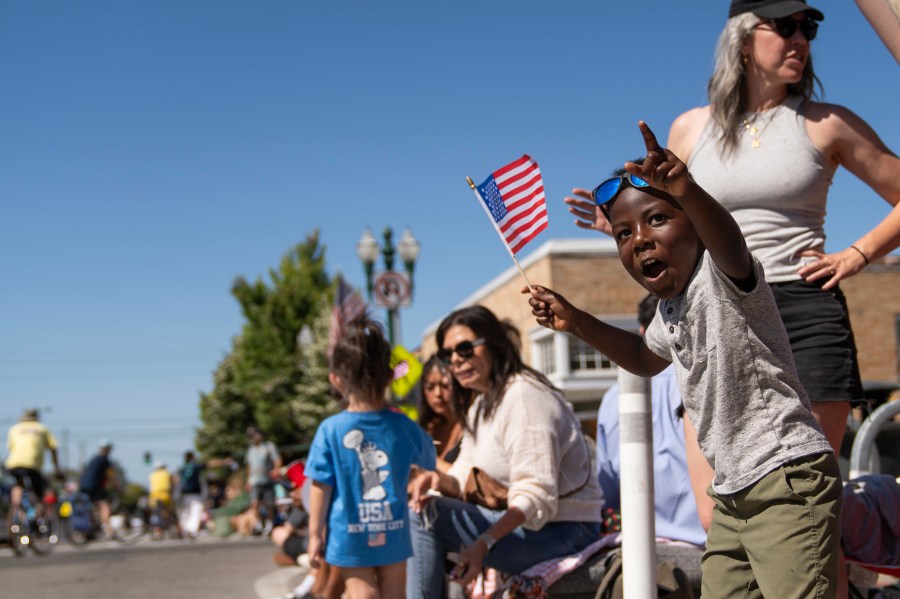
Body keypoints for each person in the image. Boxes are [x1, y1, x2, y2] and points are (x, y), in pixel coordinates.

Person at [528, 121, 842, 598]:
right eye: (623, 234)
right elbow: (641, 356)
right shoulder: (667, 311)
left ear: (693, 224)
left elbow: (728, 240)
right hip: (733, 495)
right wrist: (575, 321)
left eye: (657, 219)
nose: (639, 240)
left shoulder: (724, 273)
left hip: (785, 479)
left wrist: (687, 190)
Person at [407, 305, 603, 598]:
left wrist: (484, 541)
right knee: (420, 506)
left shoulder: (524, 396)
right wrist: (434, 480)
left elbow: (535, 494)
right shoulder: (482, 404)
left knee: (425, 516)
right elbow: (462, 476)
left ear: (494, 343)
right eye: (448, 355)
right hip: (534, 527)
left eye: (464, 348)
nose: (456, 361)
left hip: (567, 532)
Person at [305, 314, 436, 598]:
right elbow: (430, 461)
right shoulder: (403, 425)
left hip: (351, 533)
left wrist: (315, 533)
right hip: (388, 532)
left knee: (366, 596)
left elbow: (319, 485)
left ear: (336, 380)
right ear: (390, 377)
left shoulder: (330, 429)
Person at [595, 294, 709, 547]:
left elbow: (608, 489)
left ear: (643, 332)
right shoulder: (700, 381)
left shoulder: (613, 398)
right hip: (704, 537)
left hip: (639, 542)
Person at [5, 408, 63, 514]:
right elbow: (53, 448)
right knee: (38, 494)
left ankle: (16, 507)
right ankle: (38, 516)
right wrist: (57, 470)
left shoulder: (14, 428)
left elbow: (11, 448)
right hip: (32, 466)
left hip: (13, 464)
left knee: (18, 485)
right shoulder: (42, 428)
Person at [417, 355, 464, 472]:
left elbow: (463, 477)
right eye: (430, 387)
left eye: (445, 385)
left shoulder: (470, 425)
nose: (438, 393)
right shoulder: (428, 428)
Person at [176, 451, 233, 538]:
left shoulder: (182, 468)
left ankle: (186, 530)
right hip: (195, 493)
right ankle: (191, 530)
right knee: (196, 511)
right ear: (192, 457)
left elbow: (176, 480)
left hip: (184, 494)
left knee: (187, 513)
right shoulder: (195, 466)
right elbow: (210, 464)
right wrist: (224, 462)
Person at [245, 425, 282, 535]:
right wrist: (248, 480)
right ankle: (259, 524)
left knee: (269, 504)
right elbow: (249, 466)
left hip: (268, 479)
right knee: (255, 503)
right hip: (255, 480)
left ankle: (270, 523)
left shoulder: (268, 446)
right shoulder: (250, 450)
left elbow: (277, 459)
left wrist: (276, 469)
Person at [78, 440, 117, 536]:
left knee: (91, 506)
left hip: (83, 485)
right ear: (107, 449)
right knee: (104, 505)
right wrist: (117, 487)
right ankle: (106, 528)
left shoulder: (94, 458)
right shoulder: (104, 459)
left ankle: (89, 528)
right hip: (94, 485)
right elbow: (110, 475)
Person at [148, 460, 179, 538]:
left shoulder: (152, 475)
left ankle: (157, 529)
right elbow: (175, 481)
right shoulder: (167, 473)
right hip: (165, 495)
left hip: (154, 496)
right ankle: (170, 527)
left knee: (156, 512)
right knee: (170, 511)